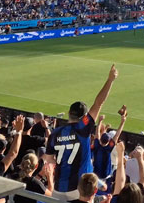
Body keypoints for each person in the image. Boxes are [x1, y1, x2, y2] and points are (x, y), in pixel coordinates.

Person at [43, 64, 120, 200]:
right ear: (83, 117)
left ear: (68, 113)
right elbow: (98, 104)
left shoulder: (55, 133)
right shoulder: (82, 128)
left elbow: (49, 159)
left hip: (58, 188)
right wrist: (110, 80)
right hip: (79, 189)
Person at [93, 105, 127, 182]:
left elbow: (97, 133)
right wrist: (122, 122)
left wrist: (100, 121)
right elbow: (117, 134)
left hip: (96, 174)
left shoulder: (97, 144)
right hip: (106, 175)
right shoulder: (109, 148)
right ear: (108, 141)